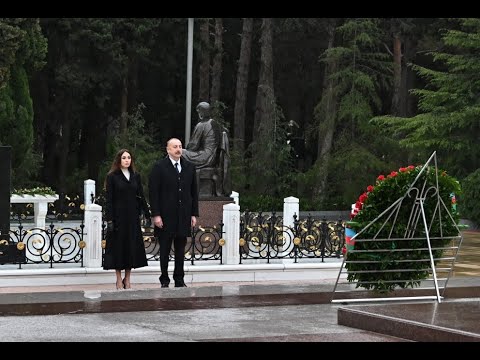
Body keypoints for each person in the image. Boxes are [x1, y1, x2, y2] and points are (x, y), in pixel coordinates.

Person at [149, 138, 199, 288]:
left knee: (180, 249)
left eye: (180, 146)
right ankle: (164, 279)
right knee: (164, 250)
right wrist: (156, 214)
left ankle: (179, 279)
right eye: (175, 147)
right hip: (165, 216)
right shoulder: (159, 167)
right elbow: (153, 193)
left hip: (183, 215)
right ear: (168, 149)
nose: (178, 149)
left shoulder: (189, 167)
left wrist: (193, 214)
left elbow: (193, 192)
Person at [103, 149, 151, 290]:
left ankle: (128, 279)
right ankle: (118, 279)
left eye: (129, 157)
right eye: (124, 157)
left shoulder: (136, 176)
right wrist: (110, 220)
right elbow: (109, 200)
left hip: (132, 218)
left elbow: (141, 196)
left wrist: (147, 214)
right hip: (118, 218)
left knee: (131, 248)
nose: (126, 160)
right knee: (118, 248)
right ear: (119, 160)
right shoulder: (112, 176)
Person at [183, 101, 231, 197]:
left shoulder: (201, 125)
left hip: (205, 157)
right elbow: (226, 132)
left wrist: (186, 149)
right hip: (213, 157)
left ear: (202, 112)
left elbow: (193, 146)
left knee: (179, 153)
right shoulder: (215, 124)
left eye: (199, 112)